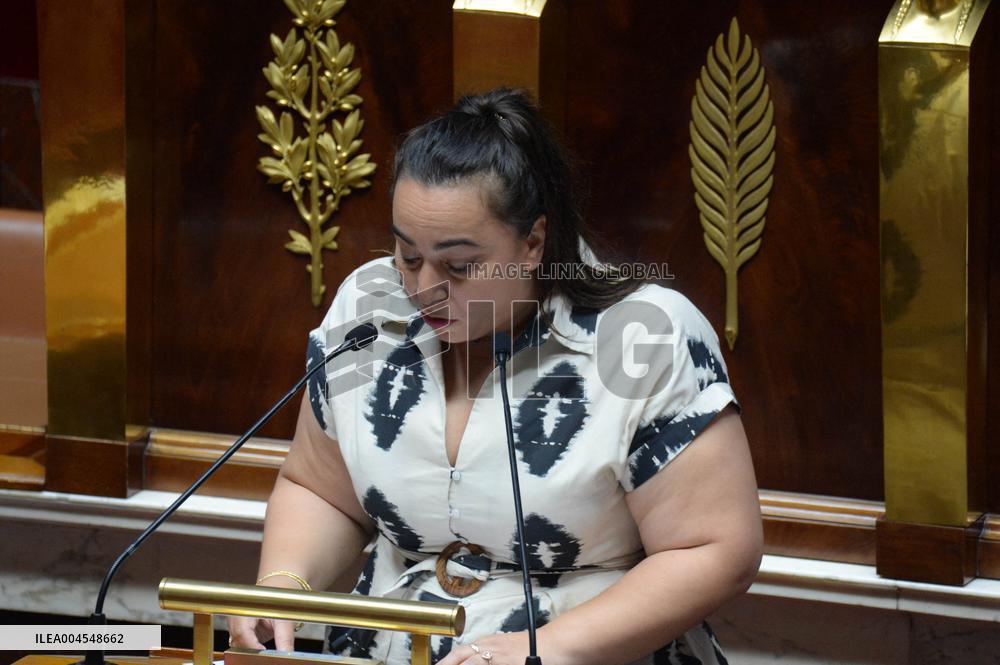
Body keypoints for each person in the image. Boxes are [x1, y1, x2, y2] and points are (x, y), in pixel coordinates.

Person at [229, 87, 762, 665]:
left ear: (533, 242)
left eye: (459, 266)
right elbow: (321, 491)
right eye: (409, 256)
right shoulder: (369, 306)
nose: (423, 288)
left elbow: (715, 548)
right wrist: (285, 582)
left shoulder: (645, 336)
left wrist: (549, 648)